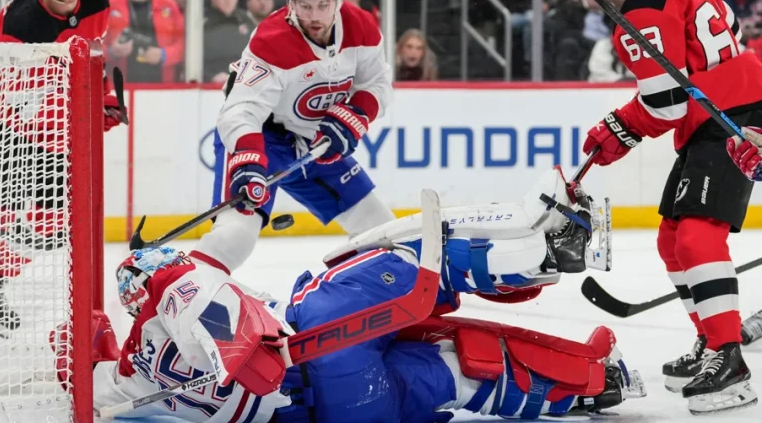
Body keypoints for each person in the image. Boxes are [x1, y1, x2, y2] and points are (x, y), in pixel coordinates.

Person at [57, 170, 646, 422]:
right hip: (313, 355)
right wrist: (250, 199)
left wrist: (85, 348)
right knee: (374, 267)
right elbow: (221, 272)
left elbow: (85, 380)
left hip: (341, 412)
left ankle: (592, 384)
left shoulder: (124, 384)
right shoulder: (173, 285)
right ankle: (537, 247)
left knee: (460, 368)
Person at [584, 0, 762, 414]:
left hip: (732, 115)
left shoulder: (642, 11)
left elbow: (666, 106)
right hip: (729, 106)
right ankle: (711, 341)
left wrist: (616, 128)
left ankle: (730, 361)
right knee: (670, 239)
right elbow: (732, 36)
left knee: (699, 238)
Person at [194, 0, 396, 274]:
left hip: (315, 143)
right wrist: (248, 160)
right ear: (291, 1)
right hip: (263, 138)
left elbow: (378, 84)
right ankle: (184, 290)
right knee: (236, 236)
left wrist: (354, 116)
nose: (314, 16)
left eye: (323, 4)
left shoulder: (362, 28)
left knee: (382, 229)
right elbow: (240, 109)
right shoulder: (272, 40)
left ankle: (379, 297)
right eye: (304, 5)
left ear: (338, 0)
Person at [0, 0, 124, 332]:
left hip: (56, 135)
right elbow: (18, 95)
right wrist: (83, 112)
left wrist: (105, 99)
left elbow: (93, 55)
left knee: (49, 231)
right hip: (10, 127)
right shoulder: (21, 21)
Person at [105, 0, 185, 83]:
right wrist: (112, 52)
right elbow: (92, 45)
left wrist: (164, 55)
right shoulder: (110, 5)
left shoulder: (168, 5)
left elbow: (186, 42)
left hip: (164, 85)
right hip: (120, 84)